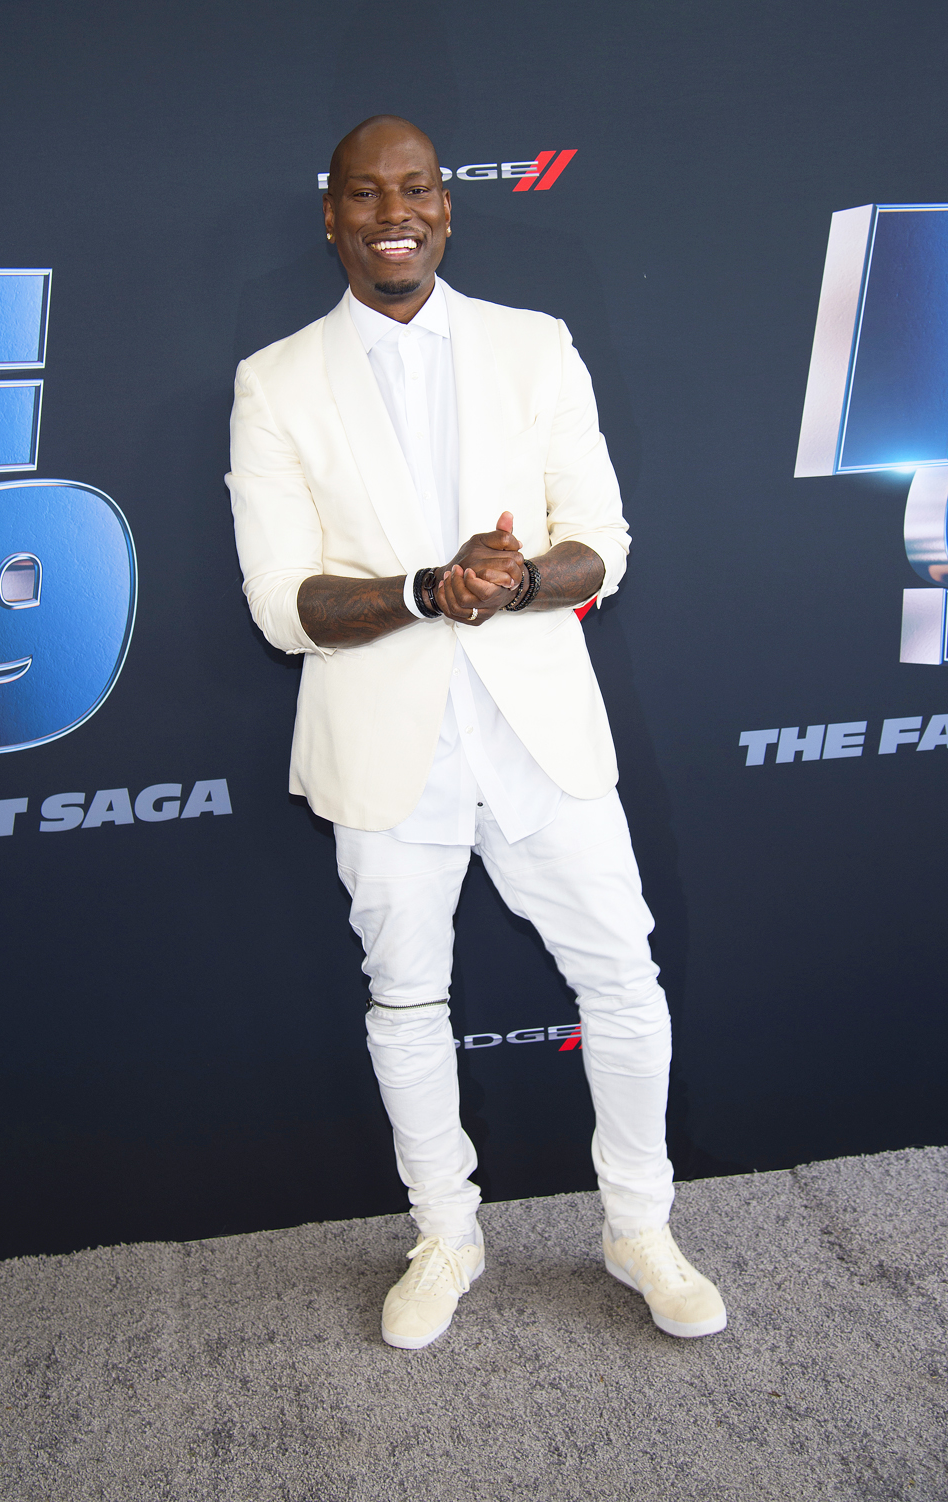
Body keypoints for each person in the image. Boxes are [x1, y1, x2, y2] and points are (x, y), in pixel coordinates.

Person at [227, 115, 726, 1349]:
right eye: (365, 192)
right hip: (385, 747)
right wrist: (420, 589)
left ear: (447, 206)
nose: (394, 210)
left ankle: (638, 1225)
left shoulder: (534, 346)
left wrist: (510, 583)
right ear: (331, 214)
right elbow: (279, 604)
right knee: (406, 1000)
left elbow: (599, 539)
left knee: (620, 978)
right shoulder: (273, 380)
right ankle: (445, 1231)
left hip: (540, 733)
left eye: (417, 188)